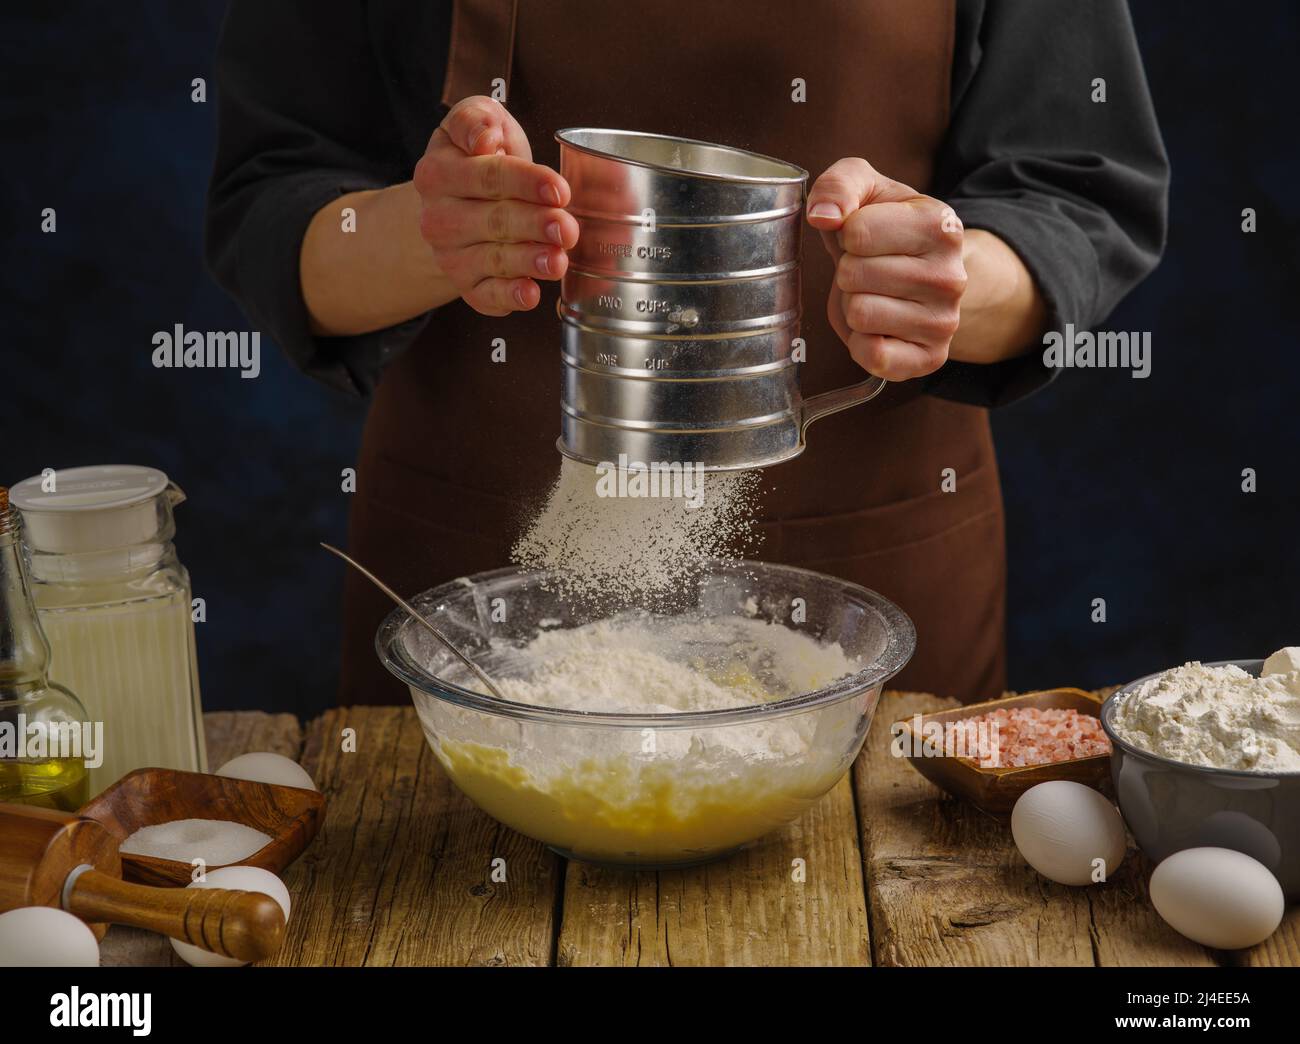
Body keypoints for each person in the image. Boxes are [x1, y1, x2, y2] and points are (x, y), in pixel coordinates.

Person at [206, 0, 1168, 707]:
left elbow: (1077, 188)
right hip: (473, 589)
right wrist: (431, 233)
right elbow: (272, 193)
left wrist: (944, 282)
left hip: (872, 568)